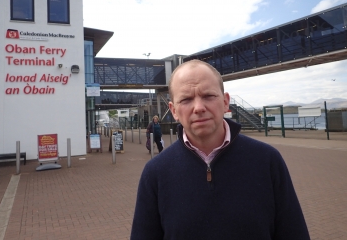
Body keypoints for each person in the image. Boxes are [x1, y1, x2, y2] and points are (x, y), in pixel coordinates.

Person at [131, 60, 310, 240]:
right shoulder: (155, 173)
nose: (199, 107)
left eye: (208, 96)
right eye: (186, 99)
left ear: (225, 102)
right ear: (174, 110)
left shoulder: (267, 160)